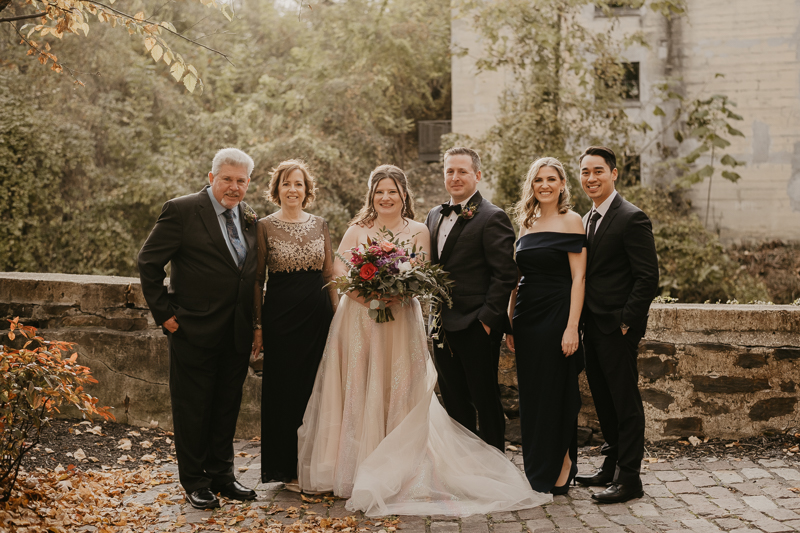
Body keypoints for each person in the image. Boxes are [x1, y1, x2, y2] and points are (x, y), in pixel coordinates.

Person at [297, 164, 550, 516]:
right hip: (358, 321)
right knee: (358, 386)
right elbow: (339, 270)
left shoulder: (419, 229)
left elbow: (425, 273)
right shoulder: (358, 228)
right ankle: (353, 468)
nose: (386, 197)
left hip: (400, 319)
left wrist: (395, 294)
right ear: (371, 195)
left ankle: (405, 468)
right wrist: (367, 296)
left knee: (400, 388)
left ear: (404, 195)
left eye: (392, 191)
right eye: (379, 191)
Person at [138, 148, 259, 509]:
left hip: (235, 331)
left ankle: (222, 476)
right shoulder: (182, 209)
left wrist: (254, 325)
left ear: (248, 183)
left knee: (225, 407)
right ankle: (195, 481)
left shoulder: (249, 219)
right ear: (211, 178)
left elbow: (247, 274)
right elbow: (149, 262)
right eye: (227, 179)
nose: (233, 187)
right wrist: (166, 316)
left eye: (241, 181)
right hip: (192, 329)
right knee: (193, 409)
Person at [574, 146, 659, 504]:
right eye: (585, 173)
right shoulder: (586, 218)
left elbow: (648, 278)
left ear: (614, 173)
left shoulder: (631, 217)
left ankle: (630, 479)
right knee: (604, 400)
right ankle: (611, 466)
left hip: (616, 327)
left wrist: (626, 322)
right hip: (591, 325)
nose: (590, 178)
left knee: (625, 403)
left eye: (597, 171)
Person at [250, 160, 337, 490]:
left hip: (317, 317)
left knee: (318, 391)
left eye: (298, 184)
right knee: (284, 393)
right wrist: (258, 328)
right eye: (286, 183)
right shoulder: (264, 227)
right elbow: (258, 280)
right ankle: (287, 469)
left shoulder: (321, 224)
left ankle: (316, 466)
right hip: (280, 319)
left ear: (307, 189)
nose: (292, 189)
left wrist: (338, 320)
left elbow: (329, 275)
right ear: (277, 190)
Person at [424, 147, 517, 451]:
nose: (455, 177)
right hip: (441, 326)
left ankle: (494, 468)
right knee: (453, 401)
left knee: (485, 401)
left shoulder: (493, 217)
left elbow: (505, 275)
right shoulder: (434, 215)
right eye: (450, 171)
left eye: (462, 171)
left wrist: (487, 323)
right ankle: (463, 466)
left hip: (476, 326)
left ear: (477, 175)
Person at [506, 157, 586, 495]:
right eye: (538, 179)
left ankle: (564, 461)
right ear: (532, 185)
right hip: (526, 318)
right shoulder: (526, 222)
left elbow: (579, 277)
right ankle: (537, 465)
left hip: (557, 314)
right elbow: (517, 277)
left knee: (558, 389)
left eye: (551, 179)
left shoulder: (572, 221)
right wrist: (510, 321)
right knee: (533, 394)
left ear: (562, 184)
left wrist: (572, 327)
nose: (545, 185)